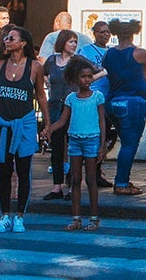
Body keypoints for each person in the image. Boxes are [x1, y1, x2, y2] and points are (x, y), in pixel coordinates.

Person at [0, 27, 49, 233]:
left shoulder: (35, 66)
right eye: (6, 39)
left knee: (24, 169)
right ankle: (5, 215)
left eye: (12, 38)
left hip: (24, 123)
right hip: (3, 122)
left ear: (23, 43)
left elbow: (41, 96)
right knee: (4, 170)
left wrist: (47, 123)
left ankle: (20, 216)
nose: (7, 41)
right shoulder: (0, 64)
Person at [41, 55, 107, 231]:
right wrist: (49, 129)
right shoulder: (71, 98)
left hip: (92, 140)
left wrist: (102, 145)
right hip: (75, 141)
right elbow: (62, 121)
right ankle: (76, 218)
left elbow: (102, 122)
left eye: (89, 76)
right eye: (83, 77)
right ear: (75, 79)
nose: (87, 80)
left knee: (91, 179)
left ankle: (94, 217)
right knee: (75, 180)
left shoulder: (98, 97)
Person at [101, 19, 146, 195]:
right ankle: (122, 183)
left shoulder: (108, 54)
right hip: (132, 102)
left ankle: (122, 179)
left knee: (124, 142)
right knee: (129, 144)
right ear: (133, 33)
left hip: (113, 101)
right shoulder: (137, 53)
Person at [42, 30, 81, 200]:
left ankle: (73, 185)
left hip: (72, 108)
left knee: (73, 147)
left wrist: (84, 85)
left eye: (75, 42)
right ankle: (56, 186)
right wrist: (48, 83)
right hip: (55, 106)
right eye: (71, 42)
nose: (73, 45)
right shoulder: (52, 60)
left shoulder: (77, 61)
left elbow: (99, 71)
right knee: (56, 147)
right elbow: (43, 74)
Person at [76, 19, 114, 188]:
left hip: (107, 97)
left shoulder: (112, 52)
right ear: (94, 33)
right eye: (101, 32)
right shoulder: (86, 50)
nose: (105, 35)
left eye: (107, 32)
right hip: (90, 97)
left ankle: (97, 172)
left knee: (102, 136)